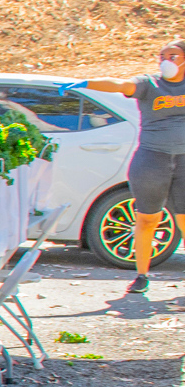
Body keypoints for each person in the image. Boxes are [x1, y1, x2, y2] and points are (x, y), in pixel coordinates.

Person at [63, 41, 185, 294]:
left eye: (173, 56)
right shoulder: (150, 84)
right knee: (147, 219)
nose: (166, 61)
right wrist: (87, 83)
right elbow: (120, 85)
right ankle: (141, 275)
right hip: (153, 160)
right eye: (161, 56)